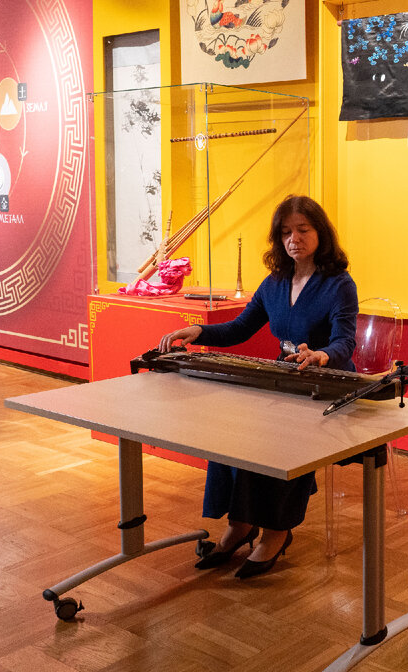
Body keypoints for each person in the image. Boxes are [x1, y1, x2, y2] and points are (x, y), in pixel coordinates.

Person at [158, 194, 358, 579]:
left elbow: (345, 342)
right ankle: (240, 523)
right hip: (285, 379)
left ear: (321, 233)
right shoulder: (275, 283)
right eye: (286, 232)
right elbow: (239, 329)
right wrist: (198, 330)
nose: (294, 239)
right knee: (232, 428)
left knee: (280, 436)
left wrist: (320, 354)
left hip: (326, 385)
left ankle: (277, 531)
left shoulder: (339, 284)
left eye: (303, 230)